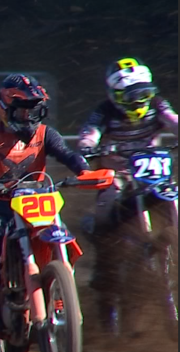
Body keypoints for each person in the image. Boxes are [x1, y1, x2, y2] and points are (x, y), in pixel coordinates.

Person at [0, 73, 91, 335]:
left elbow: (67, 155)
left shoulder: (45, 134)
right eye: (21, 111)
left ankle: (61, 293)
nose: (28, 117)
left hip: (38, 202)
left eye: (34, 110)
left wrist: (84, 171)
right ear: (6, 109)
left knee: (67, 240)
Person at [77, 57, 178, 323]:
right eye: (131, 96)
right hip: (119, 172)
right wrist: (88, 146)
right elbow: (90, 133)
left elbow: (173, 120)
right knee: (107, 200)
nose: (139, 101)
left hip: (153, 170)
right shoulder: (104, 111)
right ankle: (104, 264)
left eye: (144, 93)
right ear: (116, 95)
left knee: (173, 193)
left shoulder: (157, 105)